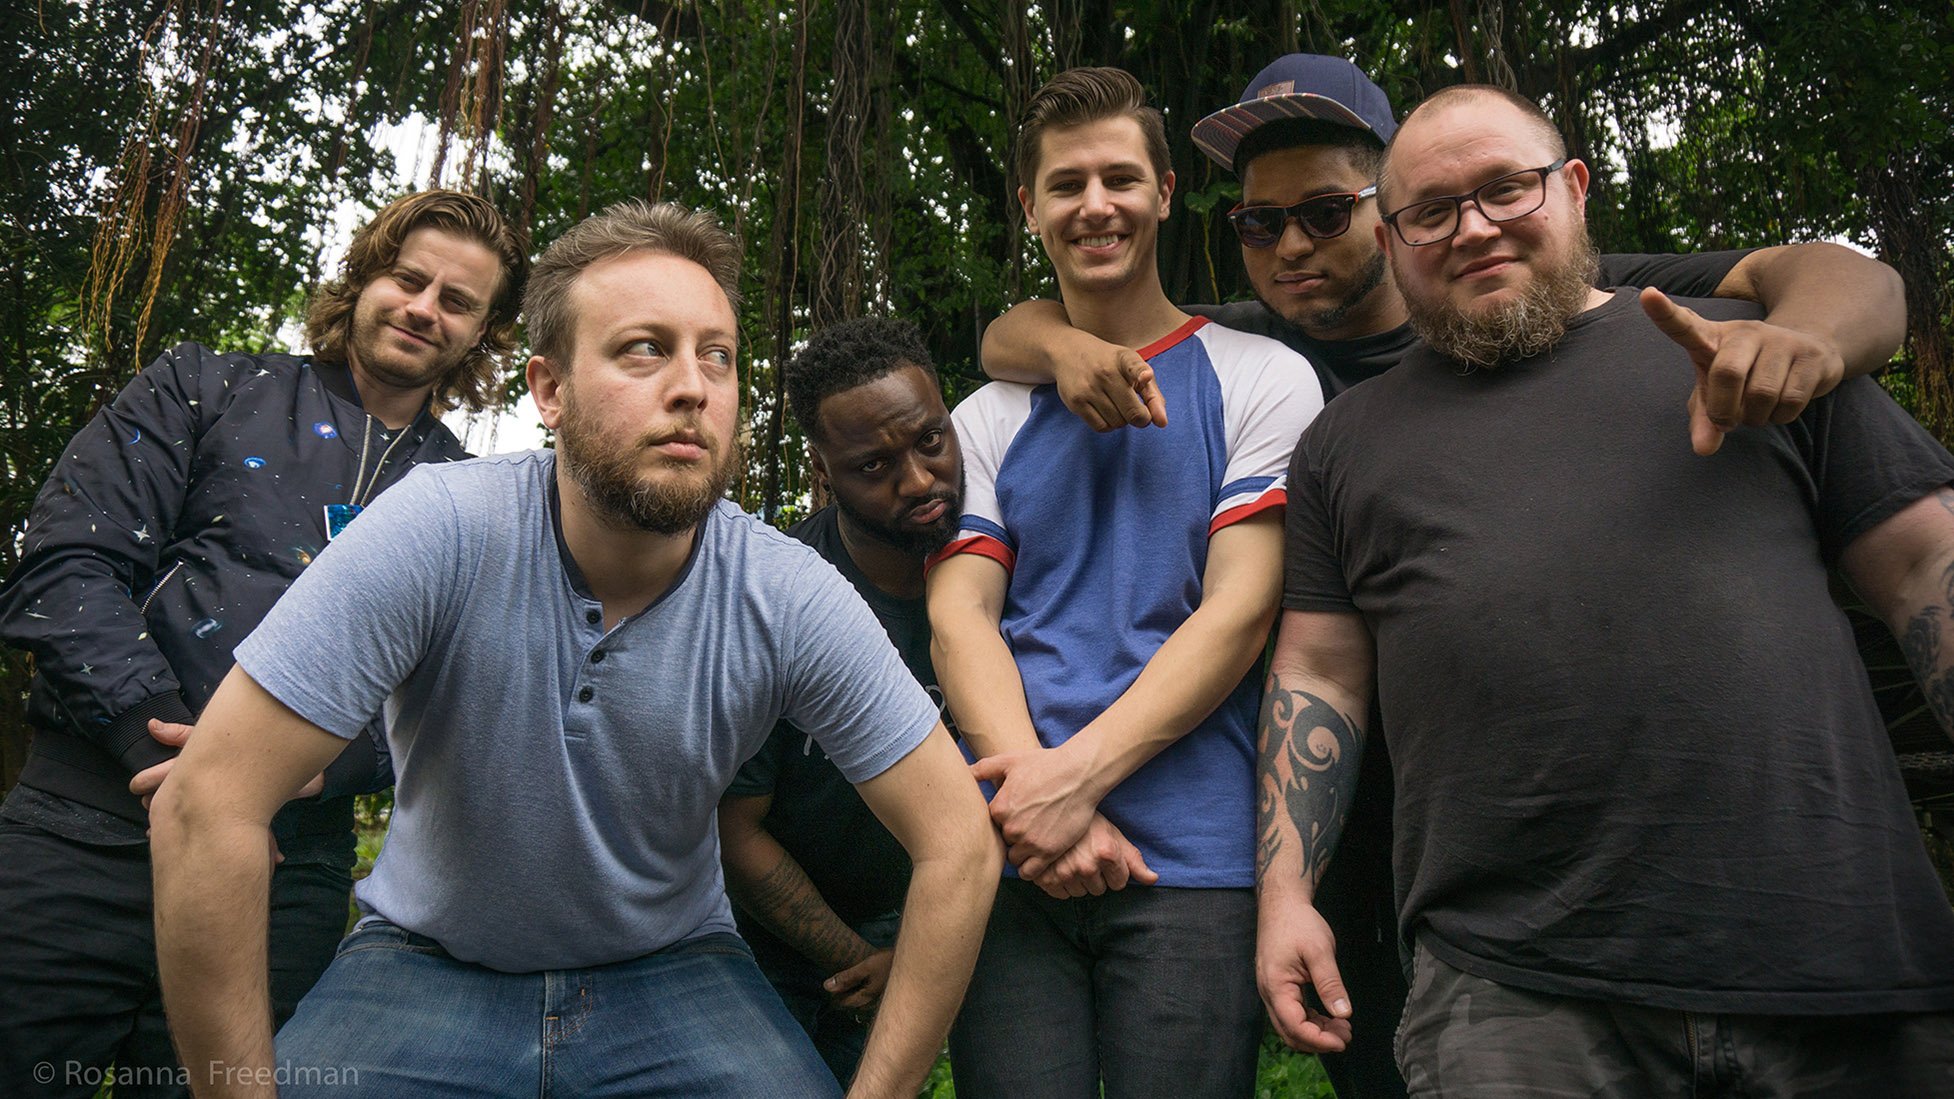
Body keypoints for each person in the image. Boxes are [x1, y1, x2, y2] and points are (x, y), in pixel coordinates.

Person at [979, 54, 1911, 1099]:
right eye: (1260, 223)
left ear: (1387, 216)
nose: (1291, 247)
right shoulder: (1253, 353)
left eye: (1324, 212)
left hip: (1590, 836)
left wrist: (1802, 349)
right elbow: (1014, 331)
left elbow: (1848, 278)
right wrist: (1062, 347)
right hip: (1363, 832)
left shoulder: (1544, 291)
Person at [148, 200, 999, 1099]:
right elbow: (207, 804)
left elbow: (959, 844)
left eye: (717, 355)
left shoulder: (786, 590)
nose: (693, 386)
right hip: (423, 958)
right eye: (645, 349)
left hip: (676, 966)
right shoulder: (439, 527)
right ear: (549, 391)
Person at [1260, 84, 1954, 1094]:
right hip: (1512, 996)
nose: (1474, 228)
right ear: (1389, 238)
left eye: (1506, 189)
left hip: (1842, 962)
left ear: (1575, 188)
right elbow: (1318, 674)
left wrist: (1803, 345)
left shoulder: (1748, 343)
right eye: (1431, 211)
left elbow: (1927, 567)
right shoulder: (1340, 443)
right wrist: (1284, 894)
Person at [0, 189, 527, 1097]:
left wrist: (322, 767)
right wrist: (171, 759)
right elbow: (64, 563)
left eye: (456, 301)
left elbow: (465, 690)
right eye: (407, 280)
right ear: (363, 277)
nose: (422, 309)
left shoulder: (475, 498)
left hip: (287, 877)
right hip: (85, 830)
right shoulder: (204, 384)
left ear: (484, 333)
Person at [927, 67, 1323, 1098]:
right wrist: (1033, 797)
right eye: (1066, 185)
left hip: (1192, 857)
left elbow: (1240, 609)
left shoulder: (1261, 376)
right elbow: (960, 615)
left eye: (1119, 178)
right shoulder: (984, 416)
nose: (1093, 205)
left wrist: (1076, 781)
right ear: (1030, 208)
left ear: (1164, 192)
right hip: (1008, 857)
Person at [717, 315, 963, 1085]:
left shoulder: (999, 576)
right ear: (823, 473)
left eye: (931, 441)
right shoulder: (776, 596)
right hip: (764, 942)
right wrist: (861, 959)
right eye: (874, 464)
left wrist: (913, 952)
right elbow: (735, 827)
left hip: (926, 911)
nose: (918, 480)